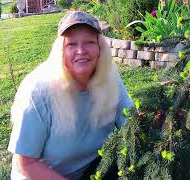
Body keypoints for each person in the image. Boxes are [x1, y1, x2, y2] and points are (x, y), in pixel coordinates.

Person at [8, 11, 133, 180]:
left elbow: (131, 121)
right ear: (60, 51)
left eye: (89, 42)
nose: (81, 51)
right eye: (71, 44)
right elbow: (24, 163)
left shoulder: (109, 77)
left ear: (100, 47)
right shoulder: (38, 92)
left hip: (92, 169)